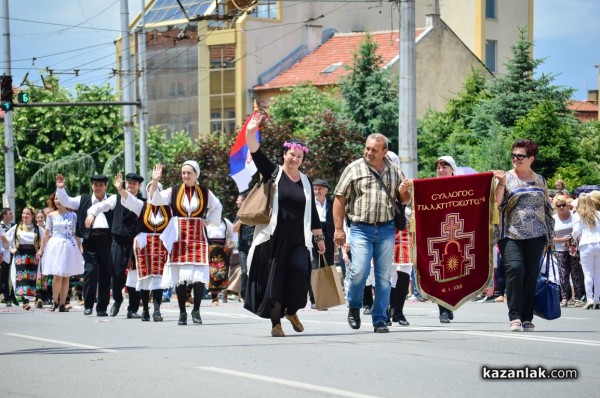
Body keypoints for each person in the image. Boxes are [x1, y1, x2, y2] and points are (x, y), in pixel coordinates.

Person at [243, 113, 326, 337]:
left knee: (300, 278)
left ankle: (291, 311)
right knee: (275, 284)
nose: (295, 159)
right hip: (275, 239)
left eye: (299, 156)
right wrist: (250, 132)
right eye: (292, 154)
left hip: (300, 240)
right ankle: (275, 324)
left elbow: (312, 214)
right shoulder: (275, 174)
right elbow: (257, 154)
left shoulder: (307, 181)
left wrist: (319, 239)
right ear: (284, 154)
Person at [333, 133, 410, 333]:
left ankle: (380, 319)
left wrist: (404, 191)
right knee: (359, 270)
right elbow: (339, 199)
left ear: (385, 151)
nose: (368, 152)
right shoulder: (353, 168)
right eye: (367, 148)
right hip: (360, 229)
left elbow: (404, 200)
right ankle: (354, 306)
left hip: (386, 228)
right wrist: (339, 229)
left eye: (374, 150)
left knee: (383, 276)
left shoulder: (395, 171)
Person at [148, 161, 223, 326]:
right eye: (183, 173)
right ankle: (182, 312)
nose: (185, 176)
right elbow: (155, 201)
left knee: (198, 276)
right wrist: (155, 181)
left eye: (189, 173)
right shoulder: (174, 191)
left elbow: (217, 206)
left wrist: (209, 221)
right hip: (179, 235)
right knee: (180, 277)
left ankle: (196, 310)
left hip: (197, 235)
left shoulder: (205, 192)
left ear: (196, 174)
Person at [494, 139, 554, 332]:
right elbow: (496, 204)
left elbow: (547, 209)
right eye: (513, 155)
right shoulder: (506, 178)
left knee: (530, 276)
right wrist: (501, 184)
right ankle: (515, 316)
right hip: (510, 233)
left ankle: (527, 317)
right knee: (515, 269)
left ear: (531, 159)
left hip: (536, 235)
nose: (515, 159)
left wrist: (550, 236)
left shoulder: (540, 180)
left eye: (520, 156)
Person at [85, 172, 144, 319]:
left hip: (135, 241)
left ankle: (132, 309)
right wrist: (91, 214)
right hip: (117, 240)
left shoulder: (142, 202)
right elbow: (100, 206)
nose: (131, 186)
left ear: (139, 186)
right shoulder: (115, 198)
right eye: (128, 183)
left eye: (134, 184)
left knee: (134, 275)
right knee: (116, 274)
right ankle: (118, 299)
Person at [56, 174, 113, 317]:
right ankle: (88, 305)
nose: (98, 187)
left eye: (101, 185)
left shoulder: (112, 200)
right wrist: (61, 189)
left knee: (106, 274)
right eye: (95, 184)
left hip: (108, 241)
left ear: (106, 186)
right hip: (90, 241)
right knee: (90, 271)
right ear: (92, 186)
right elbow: (66, 201)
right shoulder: (83, 200)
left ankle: (102, 308)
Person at [118, 176, 172, 322]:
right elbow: (129, 199)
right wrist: (120, 189)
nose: (152, 193)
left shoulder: (167, 209)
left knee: (158, 278)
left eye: (155, 190)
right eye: (150, 190)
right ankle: (146, 310)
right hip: (144, 244)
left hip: (160, 245)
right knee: (144, 277)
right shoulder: (142, 206)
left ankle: (156, 310)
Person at [37, 194, 84, 312]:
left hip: (69, 245)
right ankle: (55, 301)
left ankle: (63, 303)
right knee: (57, 275)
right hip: (55, 245)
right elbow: (46, 233)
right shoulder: (51, 216)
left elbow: (76, 233)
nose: (57, 201)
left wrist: (80, 248)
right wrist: (41, 249)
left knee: (66, 276)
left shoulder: (73, 215)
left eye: (60, 199)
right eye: (56, 199)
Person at [5, 207, 43, 311]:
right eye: (23, 213)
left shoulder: (37, 228)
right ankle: (25, 302)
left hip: (33, 256)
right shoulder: (17, 227)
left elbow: (46, 238)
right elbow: (5, 239)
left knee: (32, 278)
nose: (24, 215)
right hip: (20, 255)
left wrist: (41, 250)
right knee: (21, 278)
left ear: (32, 216)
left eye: (27, 214)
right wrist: (10, 249)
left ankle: (35, 298)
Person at [552, 194, 585, 307]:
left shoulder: (573, 215)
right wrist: (562, 239)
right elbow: (551, 237)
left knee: (576, 274)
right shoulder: (554, 218)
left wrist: (571, 239)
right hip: (560, 249)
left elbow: (580, 230)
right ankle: (564, 298)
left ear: (567, 205)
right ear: (555, 206)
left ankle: (577, 298)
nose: (561, 207)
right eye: (559, 205)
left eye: (563, 205)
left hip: (573, 248)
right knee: (563, 274)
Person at [308, 178, 335, 309]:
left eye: (320, 188)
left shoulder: (332, 204)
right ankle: (315, 299)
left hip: (328, 237)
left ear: (326, 190)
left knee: (327, 267)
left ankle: (325, 299)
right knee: (315, 267)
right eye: (315, 189)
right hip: (313, 237)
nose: (317, 191)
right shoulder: (308, 204)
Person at [572, 191, 600, 309]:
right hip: (599, 242)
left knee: (588, 274)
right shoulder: (598, 213)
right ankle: (597, 298)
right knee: (598, 273)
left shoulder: (577, 215)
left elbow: (576, 232)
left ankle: (589, 298)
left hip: (586, 244)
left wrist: (573, 237)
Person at [206, 217, 235, 305]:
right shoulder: (206, 220)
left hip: (221, 250)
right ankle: (213, 298)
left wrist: (231, 243)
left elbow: (233, 233)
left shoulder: (225, 221)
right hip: (209, 249)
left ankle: (216, 296)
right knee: (210, 273)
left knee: (220, 274)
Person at [232, 193, 254, 301]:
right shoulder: (239, 214)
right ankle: (244, 295)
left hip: (254, 246)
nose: (237, 201)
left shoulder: (254, 211)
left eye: (238, 200)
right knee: (244, 271)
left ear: (244, 201)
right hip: (243, 248)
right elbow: (234, 229)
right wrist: (241, 218)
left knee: (254, 271)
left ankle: (253, 294)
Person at [1, 208, 17, 306]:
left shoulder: (14, 226)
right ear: (4, 215)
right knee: (5, 276)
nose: (12, 215)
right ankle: (7, 297)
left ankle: (14, 295)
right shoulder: (0, 226)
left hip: (14, 253)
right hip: (3, 253)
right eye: (10, 213)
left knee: (14, 275)